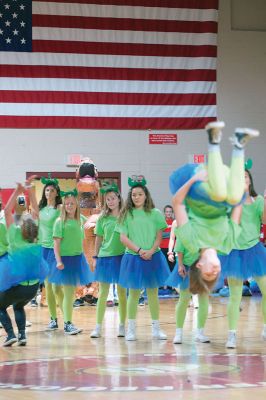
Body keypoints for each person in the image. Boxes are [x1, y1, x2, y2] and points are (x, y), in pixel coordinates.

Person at [170, 122, 259, 296]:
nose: (216, 270)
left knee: (219, 194)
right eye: (216, 275)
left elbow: (177, 203)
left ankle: (214, 140)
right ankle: (239, 144)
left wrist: (193, 180)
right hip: (222, 184)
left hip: (199, 186)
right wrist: (241, 187)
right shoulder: (226, 246)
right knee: (234, 197)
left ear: (199, 265)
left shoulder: (191, 241)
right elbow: (237, 208)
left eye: (209, 273)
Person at [116, 175, 170, 341]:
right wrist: (139, 250)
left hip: (152, 257)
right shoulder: (126, 214)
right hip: (133, 257)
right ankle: (131, 329)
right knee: (133, 293)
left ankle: (156, 329)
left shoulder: (155, 213)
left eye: (139, 194)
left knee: (153, 293)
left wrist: (151, 250)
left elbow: (159, 236)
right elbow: (123, 238)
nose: (136, 197)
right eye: (133, 195)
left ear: (146, 195)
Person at [219, 165, 266, 348]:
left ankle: (265, 327)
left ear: (250, 180)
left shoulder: (258, 200)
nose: (243, 179)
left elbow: (264, 221)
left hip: (255, 249)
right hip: (235, 252)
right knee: (235, 296)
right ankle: (231, 334)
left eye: (245, 176)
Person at [0, 179, 48, 346]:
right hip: (33, 288)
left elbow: (7, 212)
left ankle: (11, 334)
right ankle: (22, 335)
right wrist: (31, 193)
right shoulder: (38, 239)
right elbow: (36, 213)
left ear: (20, 229)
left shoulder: (14, 239)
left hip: (18, 286)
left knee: (0, 306)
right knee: (18, 306)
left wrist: (17, 190)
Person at [49, 189, 94, 335]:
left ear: (76, 205)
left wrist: (98, 219)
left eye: (72, 203)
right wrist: (58, 261)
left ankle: (68, 323)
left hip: (77, 259)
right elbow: (56, 244)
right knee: (57, 290)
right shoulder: (59, 222)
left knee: (69, 293)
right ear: (64, 205)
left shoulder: (80, 219)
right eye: (67, 203)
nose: (69, 206)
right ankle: (66, 318)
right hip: (63, 260)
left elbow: (92, 221)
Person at [90, 183, 126, 338]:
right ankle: (98, 327)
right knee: (103, 293)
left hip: (122, 257)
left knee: (122, 293)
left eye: (112, 198)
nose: (110, 202)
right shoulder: (102, 218)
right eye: (107, 199)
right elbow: (98, 239)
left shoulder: (126, 216)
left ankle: (122, 326)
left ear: (118, 199)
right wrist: (95, 256)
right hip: (105, 257)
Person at [166, 240, 211, 344]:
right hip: (187, 267)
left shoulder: (206, 228)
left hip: (202, 268)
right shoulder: (186, 227)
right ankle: (178, 333)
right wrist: (180, 264)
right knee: (184, 299)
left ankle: (200, 333)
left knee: (204, 300)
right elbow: (180, 249)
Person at [37, 176, 63, 330]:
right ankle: (53, 319)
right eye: (47, 190)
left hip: (55, 249)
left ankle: (66, 317)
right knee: (48, 286)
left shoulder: (60, 208)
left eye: (52, 190)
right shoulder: (41, 209)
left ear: (56, 193)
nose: (49, 192)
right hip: (42, 249)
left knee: (56, 287)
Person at [160, 205, 175, 273]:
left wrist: (166, 233)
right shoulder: (161, 222)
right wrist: (171, 233)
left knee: (172, 266)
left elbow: (177, 236)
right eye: (167, 211)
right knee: (164, 267)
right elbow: (159, 235)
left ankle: (171, 283)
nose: (168, 213)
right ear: (164, 213)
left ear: (172, 213)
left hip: (173, 248)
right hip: (162, 247)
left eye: (170, 212)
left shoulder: (175, 222)